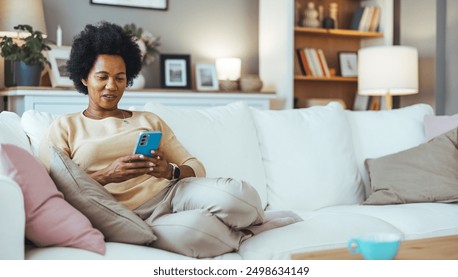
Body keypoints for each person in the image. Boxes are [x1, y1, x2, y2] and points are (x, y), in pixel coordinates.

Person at [39, 21, 300, 258]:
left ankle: (254, 218)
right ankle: (252, 231)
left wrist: (170, 170)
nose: (112, 86)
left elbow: (194, 166)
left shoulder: (148, 120)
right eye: (102, 77)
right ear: (84, 78)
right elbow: (53, 190)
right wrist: (108, 175)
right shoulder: (64, 127)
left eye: (120, 78)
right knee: (195, 233)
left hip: (172, 192)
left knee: (238, 195)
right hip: (129, 218)